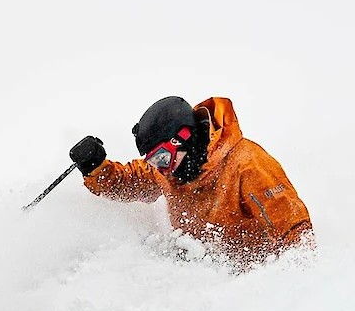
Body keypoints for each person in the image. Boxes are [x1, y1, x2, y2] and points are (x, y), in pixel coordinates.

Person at [70, 96, 313, 265]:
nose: (160, 169)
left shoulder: (248, 165)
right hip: (199, 275)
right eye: (154, 161)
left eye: (162, 158)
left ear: (183, 138)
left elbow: (296, 235)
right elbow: (128, 183)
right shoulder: (169, 169)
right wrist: (95, 167)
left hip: (250, 284)